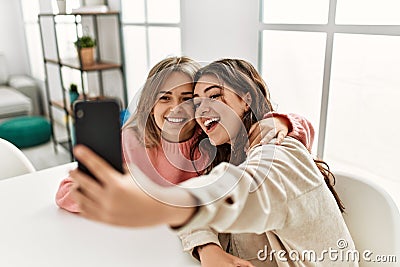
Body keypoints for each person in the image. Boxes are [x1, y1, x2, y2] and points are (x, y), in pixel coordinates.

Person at [69, 58, 356, 266]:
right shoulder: (222, 156)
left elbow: (242, 193)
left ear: (246, 99)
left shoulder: (279, 151)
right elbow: (211, 186)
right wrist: (207, 248)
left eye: (214, 96)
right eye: (197, 101)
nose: (201, 108)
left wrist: (159, 203)